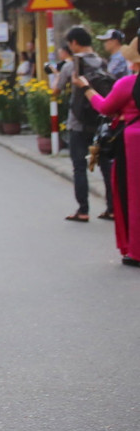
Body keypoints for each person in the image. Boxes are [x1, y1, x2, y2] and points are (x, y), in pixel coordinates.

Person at [75, 37, 140, 265]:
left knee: (132, 194)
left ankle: (136, 250)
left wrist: (86, 88)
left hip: (133, 143)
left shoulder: (128, 84)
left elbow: (104, 107)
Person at [57, 26, 114, 222]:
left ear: (74, 43)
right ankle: (111, 208)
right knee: (105, 166)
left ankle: (83, 210)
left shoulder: (71, 66)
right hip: (100, 124)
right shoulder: (103, 63)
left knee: (79, 167)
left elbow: (56, 89)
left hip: (78, 125)